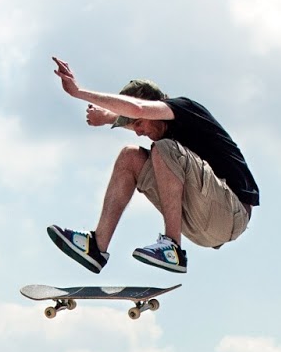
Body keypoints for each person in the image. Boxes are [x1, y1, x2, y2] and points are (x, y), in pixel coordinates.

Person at [47, 57, 259, 275]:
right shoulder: (162, 130)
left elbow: (138, 109)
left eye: (138, 124)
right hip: (201, 223)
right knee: (129, 156)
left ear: (154, 108)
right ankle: (97, 248)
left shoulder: (185, 109)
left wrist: (78, 92)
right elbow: (138, 117)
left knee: (163, 149)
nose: (138, 132)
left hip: (231, 213)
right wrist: (107, 118)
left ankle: (172, 248)